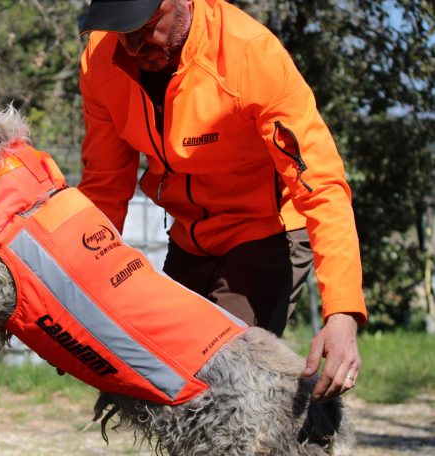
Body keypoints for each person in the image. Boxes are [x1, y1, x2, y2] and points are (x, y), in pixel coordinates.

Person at [77, 0, 366, 413]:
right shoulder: (103, 60)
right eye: (119, 30)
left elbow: (320, 185)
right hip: (188, 237)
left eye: (143, 27)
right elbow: (105, 186)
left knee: (216, 387)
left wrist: (342, 314)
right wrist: (79, 292)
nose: (133, 45)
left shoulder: (248, 53)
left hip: (264, 232)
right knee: (161, 386)